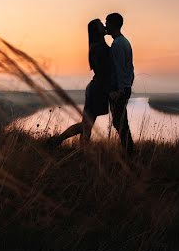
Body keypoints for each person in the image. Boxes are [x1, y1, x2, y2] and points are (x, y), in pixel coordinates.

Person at [48, 19, 111, 147]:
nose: (104, 26)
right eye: (101, 25)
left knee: (88, 124)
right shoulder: (99, 48)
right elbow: (104, 71)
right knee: (87, 124)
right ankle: (57, 141)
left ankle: (81, 149)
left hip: (97, 88)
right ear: (96, 31)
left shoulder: (98, 46)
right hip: (97, 89)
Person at [106, 12, 135, 155]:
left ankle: (130, 153)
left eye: (107, 22)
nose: (105, 25)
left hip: (120, 89)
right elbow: (130, 68)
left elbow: (118, 70)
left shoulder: (117, 44)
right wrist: (129, 85)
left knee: (120, 123)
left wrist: (120, 91)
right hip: (125, 87)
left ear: (113, 24)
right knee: (121, 122)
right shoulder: (125, 42)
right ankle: (129, 152)